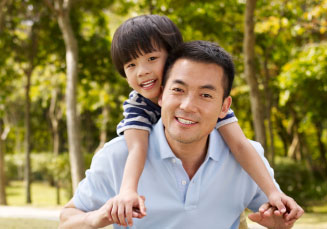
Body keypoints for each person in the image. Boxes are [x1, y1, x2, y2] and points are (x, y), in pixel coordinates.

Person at [59, 41, 303, 229]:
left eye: (205, 95)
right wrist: (94, 219)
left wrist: (280, 224)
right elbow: (67, 219)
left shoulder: (248, 158)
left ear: (224, 107)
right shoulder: (118, 155)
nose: (187, 105)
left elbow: (274, 212)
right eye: (178, 89)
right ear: (161, 95)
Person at [109, 15, 296, 224]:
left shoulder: (205, 101)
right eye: (131, 65)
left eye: (151, 59)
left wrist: (272, 193)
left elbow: (240, 145)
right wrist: (127, 191)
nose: (142, 71)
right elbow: (137, 149)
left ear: (173, 57)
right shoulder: (137, 106)